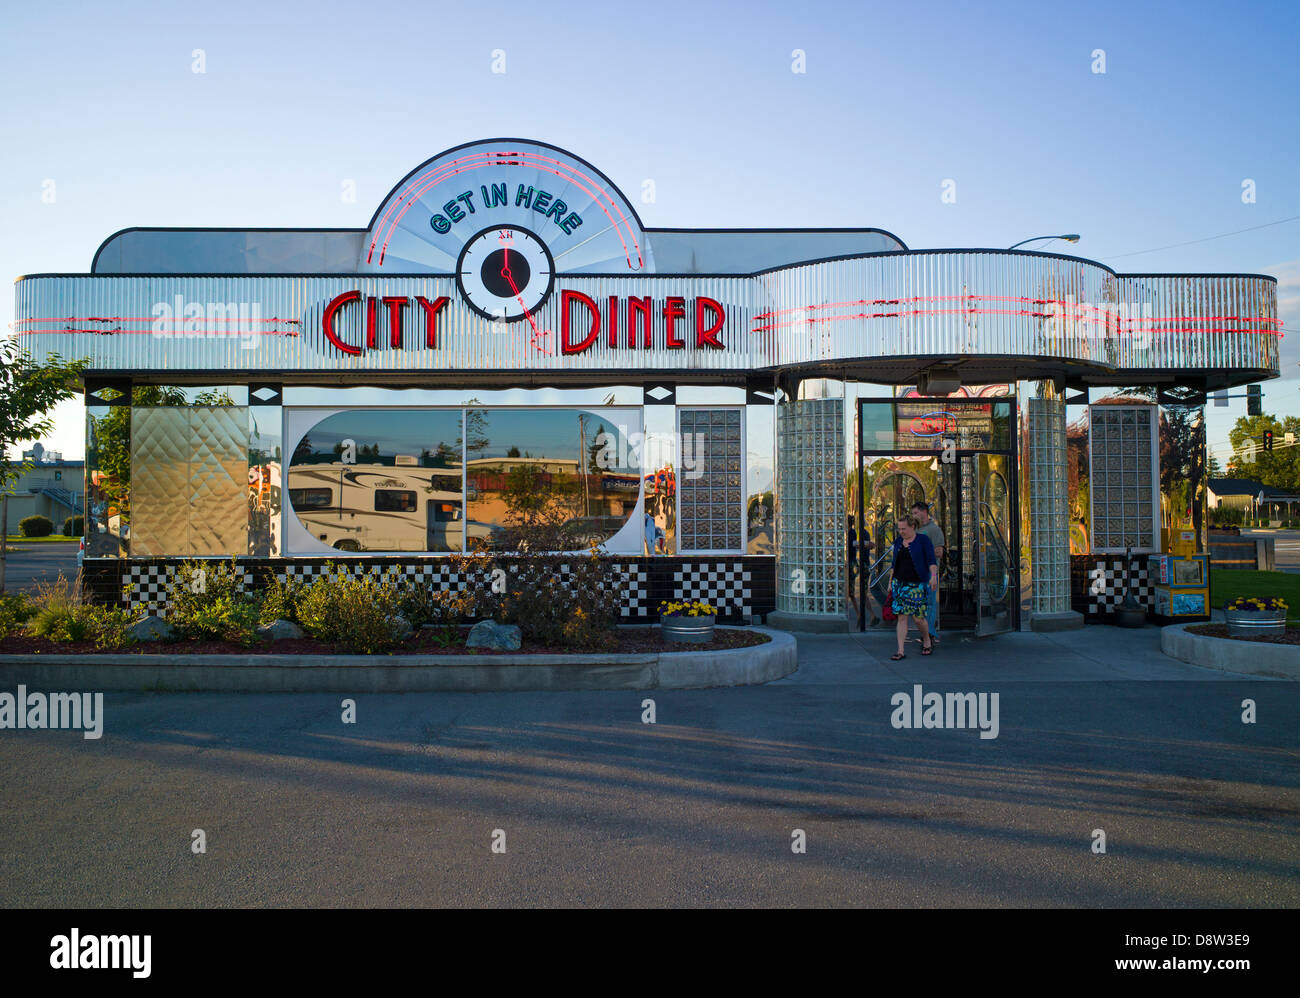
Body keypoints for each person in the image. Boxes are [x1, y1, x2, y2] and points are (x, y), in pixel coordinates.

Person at [889, 514, 938, 660]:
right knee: (902, 618)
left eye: (904, 528)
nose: (901, 531)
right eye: (899, 529)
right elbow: (894, 564)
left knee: (918, 619)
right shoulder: (898, 541)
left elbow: (931, 559)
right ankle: (900, 650)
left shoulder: (922, 540)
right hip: (900, 584)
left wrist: (933, 577)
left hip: (917, 585)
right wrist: (890, 582)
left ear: (913, 527)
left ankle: (927, 639)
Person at [911, 501, 944, 642]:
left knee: (930, 603)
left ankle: (929, 634)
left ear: (924, 512)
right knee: (919, 603)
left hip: (930, 572)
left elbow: (939, 552)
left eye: (915, 513)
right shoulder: (915, 529)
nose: (913, 516)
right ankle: (925, 633)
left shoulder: (934, 529)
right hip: (916, 572)